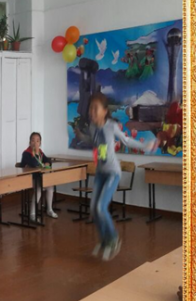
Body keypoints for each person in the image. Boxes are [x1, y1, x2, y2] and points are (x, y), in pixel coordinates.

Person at [75, 93, 157, 261]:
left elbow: (126, 141)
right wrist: (80, 136)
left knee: (100, 208)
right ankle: (104, 241)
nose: (92, 111)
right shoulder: (93, 126)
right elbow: (92, 141)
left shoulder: (111, 126)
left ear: (105, 111)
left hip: (112, 172)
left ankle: (113, 239)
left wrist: (144, 146)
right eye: (90, 108)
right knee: (93, 208)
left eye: (95, 108)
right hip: (100, 172)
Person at [20, 132, 58, 220]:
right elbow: (34, 163)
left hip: (38, 177)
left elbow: (48, 160)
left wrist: (47, 162)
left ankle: (49, 209)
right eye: (33, 140)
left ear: (40, 143)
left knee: (50, 186)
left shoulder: (40, 152)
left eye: (37, 141)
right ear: (29, 142)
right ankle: (32, 213)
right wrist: (35, 153)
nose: (35, 143)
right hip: (28, 178)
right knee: (38, 190)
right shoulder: (26, 153)